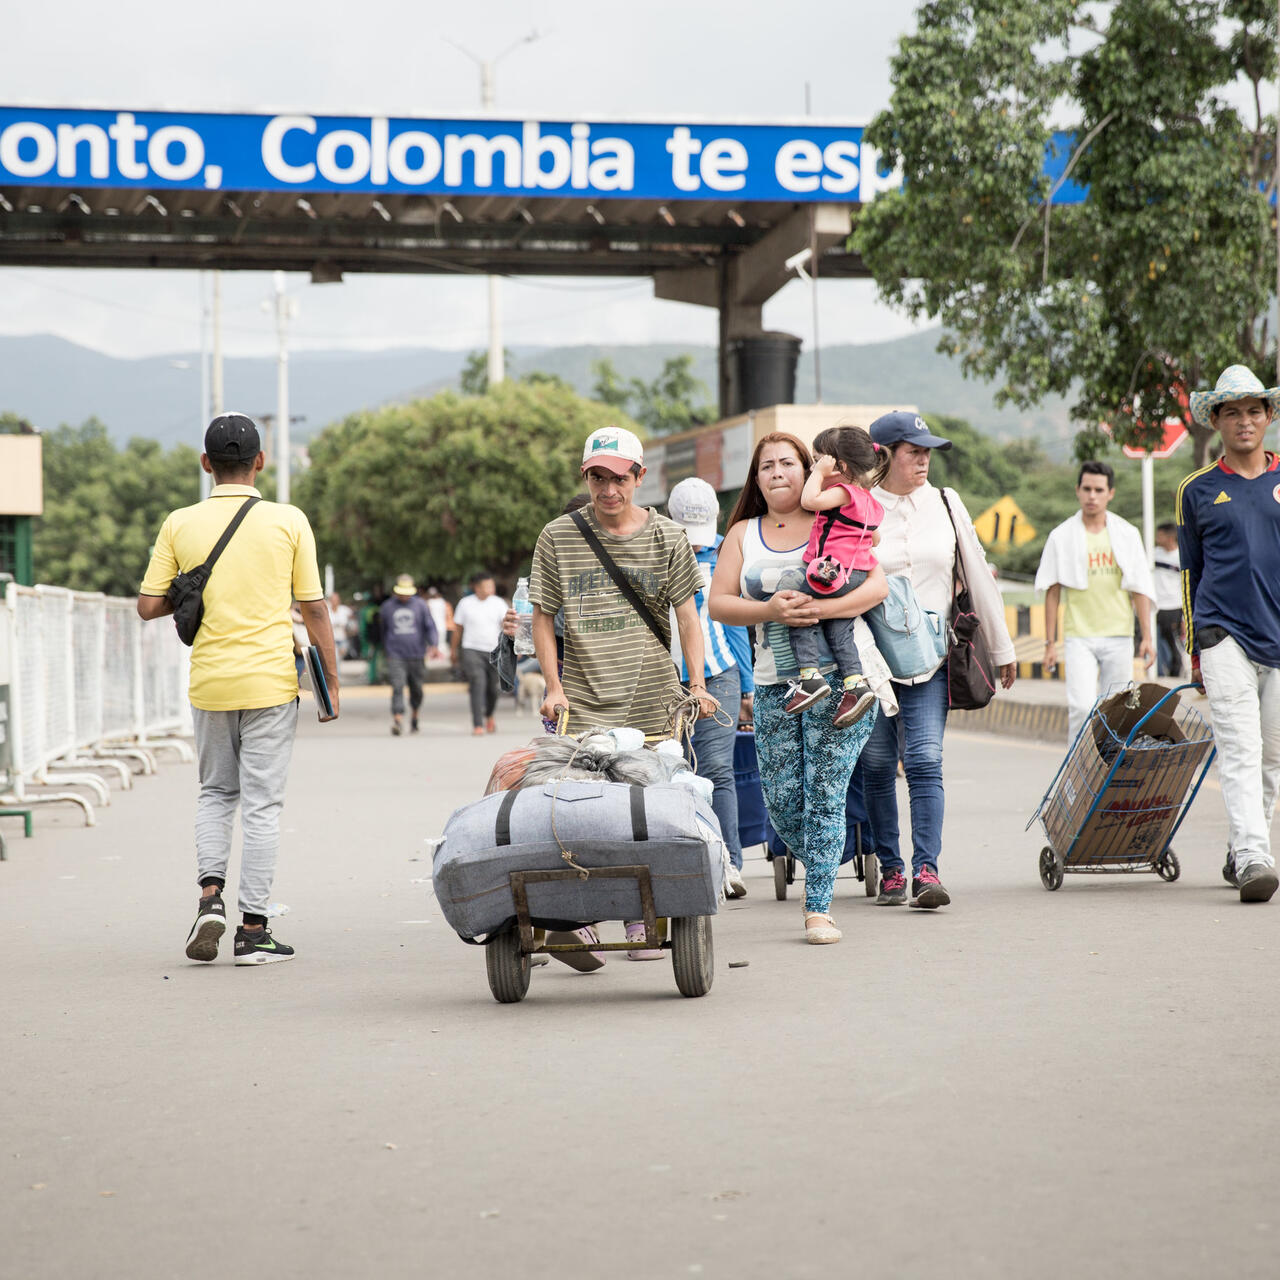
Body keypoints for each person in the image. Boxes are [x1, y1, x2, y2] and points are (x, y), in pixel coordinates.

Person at [137, 412, 338, 966]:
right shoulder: (288, 520)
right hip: (271, 682)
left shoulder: (179, 523)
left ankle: (210, 898)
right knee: (262, 806)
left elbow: (148, 605)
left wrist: (190, 590)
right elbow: (314, 608)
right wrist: (330, 684)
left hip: (210, 683)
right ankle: (253, 931)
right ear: (260, 462)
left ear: (206, 463)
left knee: (215, 793)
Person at [531, 427, 716, 960]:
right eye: (597, 478)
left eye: (619, 479)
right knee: (579, 813)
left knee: (649, 814)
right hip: (583, 701)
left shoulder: (667, 537)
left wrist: (697, 685)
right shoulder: (557, 536)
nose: (608, 490)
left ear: (639, 477)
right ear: (585, 477)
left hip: (653, 699)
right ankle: (581, 919)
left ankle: (642, 920)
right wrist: (553, 687)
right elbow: (542, 616)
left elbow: (688, 617)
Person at [709, 431, 891, 944]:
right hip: (774, 685)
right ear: (757, 478)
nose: (777, 472)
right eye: (766, 465)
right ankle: (828, 856)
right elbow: (719, 603)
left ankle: (818, 909)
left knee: (826, 795)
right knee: (784, 805)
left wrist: (819, 609)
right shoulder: (742, 534)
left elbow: (876, 586)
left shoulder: (833, 515)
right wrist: (770, 610)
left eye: (787, 463)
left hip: (839, 682)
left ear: (809, 469)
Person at [861, 411, 1017, 911]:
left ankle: (926, 870)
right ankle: (891, 868)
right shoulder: (860, 507)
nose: (924, 460)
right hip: (870, 662)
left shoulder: (946, 503)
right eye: (913, 451)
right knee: (877, 764)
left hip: (931, 659)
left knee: (925, 759)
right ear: (884, 455)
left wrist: (1002, 648)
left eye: (927, 451)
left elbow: (977, 574)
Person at [1179, 365, 1280, 903]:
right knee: (1240, 749)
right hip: (1222, 635)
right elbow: (1190, 573)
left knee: (1272, 756)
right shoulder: (1196, 489)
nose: (1245, 421)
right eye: (1233, 411)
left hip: (1277, 637)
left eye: (1254, 410)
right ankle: (1255, 858)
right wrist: (1195, 649)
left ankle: (1242, 845)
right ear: (1216, 420)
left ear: (1269, 417)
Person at [666, 476, 756, 899]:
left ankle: (729, 863)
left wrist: (747, 689)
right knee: (672, 770)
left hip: (719, 674)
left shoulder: (725, 553)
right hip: (664, 679)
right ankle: (682, 864)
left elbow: (734, 623)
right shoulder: (654, 550)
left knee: (718, 769)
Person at [1036, 460, 1156, 743]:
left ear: (1110, 493)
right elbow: (1052, 590)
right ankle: (1078, 765)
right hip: (1079, 636)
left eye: (1099, 490)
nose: (1092, 496)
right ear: (1077, 490)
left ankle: (1112, 767)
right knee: (1080, 707)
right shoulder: (1061, 536)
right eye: (1087, 489)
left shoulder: (1127, 534)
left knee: (1118, 712)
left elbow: (1139, 587)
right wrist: (1050, 643)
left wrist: (1147, 637)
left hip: (1119, 636)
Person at [784, 425, 885, 729]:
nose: (813, 467)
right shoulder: (869, 500)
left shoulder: (842, 492)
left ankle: (810, 678)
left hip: (828, 572)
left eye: (818, 460)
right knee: (840, 631)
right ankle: (855, 684)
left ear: (839, 466)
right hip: (855, 575)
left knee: (800, 615)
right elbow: (875, 538)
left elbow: (809, 501)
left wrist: (818, 474)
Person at [379, 574, 440, 736]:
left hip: (417, 654)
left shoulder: (420, 605)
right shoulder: (387, 607)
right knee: (397, 686)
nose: (404, 596)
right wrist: (386, 650)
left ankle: (415, 716)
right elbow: (383, 631)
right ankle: (398, 720)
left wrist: (433, 644)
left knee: (417, 689)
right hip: (395, 654)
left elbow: (430, 626)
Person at [452, 572, 509, 736]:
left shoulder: (498, 603)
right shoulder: (465, 604)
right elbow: (458, 629)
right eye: (486, 586)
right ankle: (477, 724)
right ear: (476, 587)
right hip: (471, 649)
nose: (490, 589)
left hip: (494, 650)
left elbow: (506, 627)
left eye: (492, 585)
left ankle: (489, 714)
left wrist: (512, 647)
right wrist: (453, 650)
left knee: (493, 688)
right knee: (477, 683)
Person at [1152, 523, 1185, 677]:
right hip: (1156, 604)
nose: (1157, 539)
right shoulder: (1154, 554)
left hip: (1174, 605)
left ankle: (1176, 669)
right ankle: (1159, 671)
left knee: (1171, 640)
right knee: (1156, 639)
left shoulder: (1180, 556)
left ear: (1170, 537)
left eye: (1160, 536)